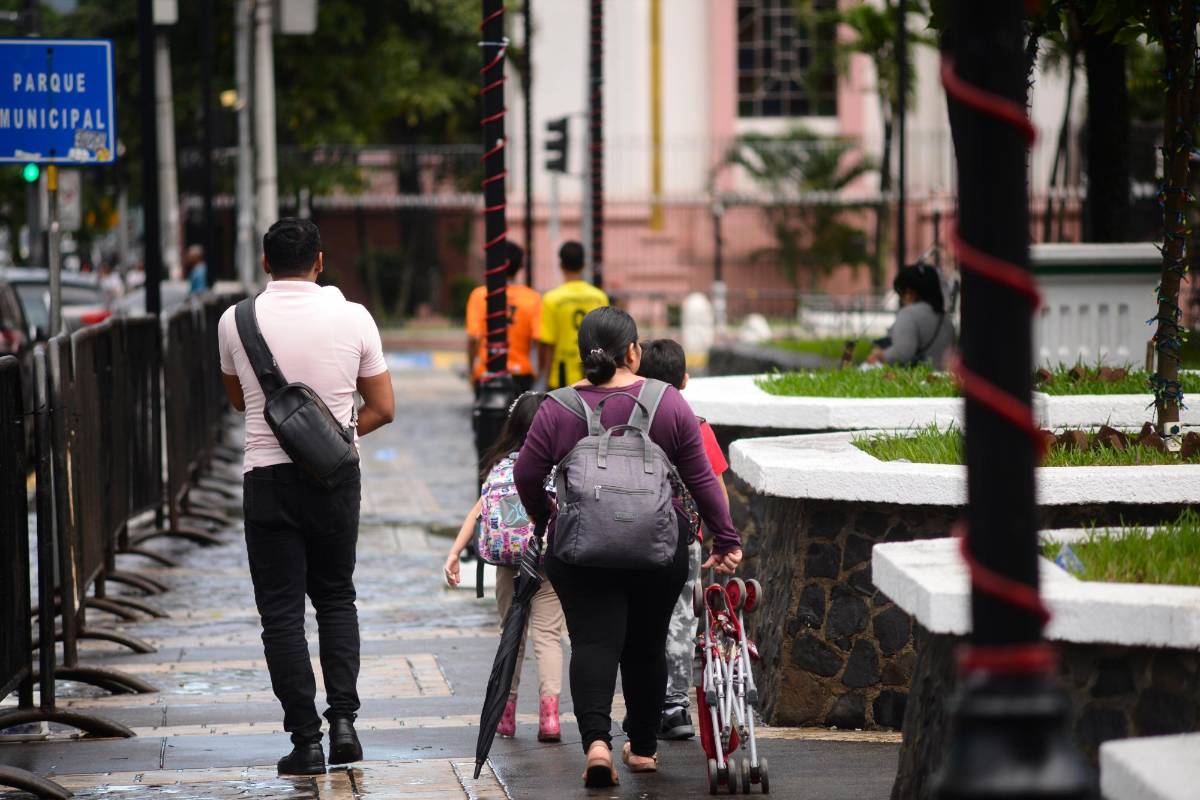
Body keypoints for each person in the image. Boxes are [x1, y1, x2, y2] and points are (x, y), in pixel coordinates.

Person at [514, 307, 742, 787]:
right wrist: (726, 536)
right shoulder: (668, 403)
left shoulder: (558, 406)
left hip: (579, 548)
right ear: (633, 352)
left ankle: (597, 744)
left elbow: (525, 475)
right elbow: (702, 479)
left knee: (594, 641)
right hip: (658, 548)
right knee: (646, 643)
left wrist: (544, 517)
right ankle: (641, 748)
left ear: (582, 356)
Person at [217, 218, 395, 776]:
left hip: (266, 480)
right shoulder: (354, 317)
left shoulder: (235, 321)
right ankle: (344, 722)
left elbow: (239, 402)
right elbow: (384, 407)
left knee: (281, 615)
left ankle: (305, 741)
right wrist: (333, 441)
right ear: (320, 261)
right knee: (337, 599)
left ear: (265, 262)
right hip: (336, 482)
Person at [443, 392, 566, 743]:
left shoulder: (499, 467)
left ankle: (506, 717)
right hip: (546, 563)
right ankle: (550, 720)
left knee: (512, 636)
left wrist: (454, 553)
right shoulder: (556, 466)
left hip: (508, 566)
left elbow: (478, 512)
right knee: (548, 638)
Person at [636, 339, 729, 741]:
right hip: (685, 535)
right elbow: (716, 489)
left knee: (640, 617)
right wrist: (720, 539)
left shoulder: (634, 422)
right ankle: (674, 705)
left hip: (634, 531)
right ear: (685, 381)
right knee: (681, 619)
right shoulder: (699, 425)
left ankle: (644, 705)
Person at [465, 241, 541, 394]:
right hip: (521, 372)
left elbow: (473, 338)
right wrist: (540, 371)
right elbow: (538, 340)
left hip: (487, 370)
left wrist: (471, 371)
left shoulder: (479, 295)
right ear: (520, 266)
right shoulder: (533, 298)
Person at [537, 241, 608, 390]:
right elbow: (605, 339)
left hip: (561, 376)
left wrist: (545, 378)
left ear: (561, 265)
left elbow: (548, 343)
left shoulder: (552, 299)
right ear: (584, 264)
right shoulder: (599, 297)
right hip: (592, 373)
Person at [866, 264, 955, 367]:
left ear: (909, 292)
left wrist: (881, 355)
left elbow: (902, 353)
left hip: (918, 379)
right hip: (944, 378)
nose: (902, 300)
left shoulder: (909, 314)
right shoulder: (946, 318)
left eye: (900, 293)